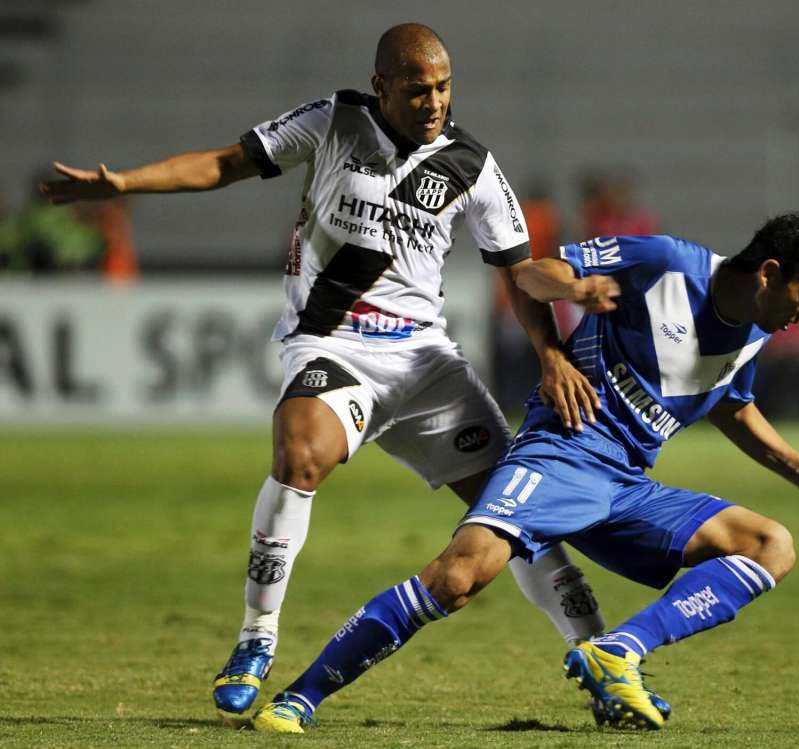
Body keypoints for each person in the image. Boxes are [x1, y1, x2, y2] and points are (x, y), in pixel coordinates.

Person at [40, 23, 616, 725]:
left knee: (516, 513)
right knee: (300, 454)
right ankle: (256, 638)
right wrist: (125, 182)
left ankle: (602, 659)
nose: (433, 102)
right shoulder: (333, 120)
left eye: (442, 87)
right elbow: (227, 162)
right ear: (382, 86)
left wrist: (552, 355)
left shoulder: (472, 165)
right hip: (332, 349)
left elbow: (518, 276)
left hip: (427, 366)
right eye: (416, 90)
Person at [249, 212, 799, 733]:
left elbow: (737, 412)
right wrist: (571, 304)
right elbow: (533, 275)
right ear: (770, 274)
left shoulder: (752, 332)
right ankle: (298, 698)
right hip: (560, 455)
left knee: (770, 544)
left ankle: (617, 652)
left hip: (628, 487)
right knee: (458, 578)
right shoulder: (665, 261)